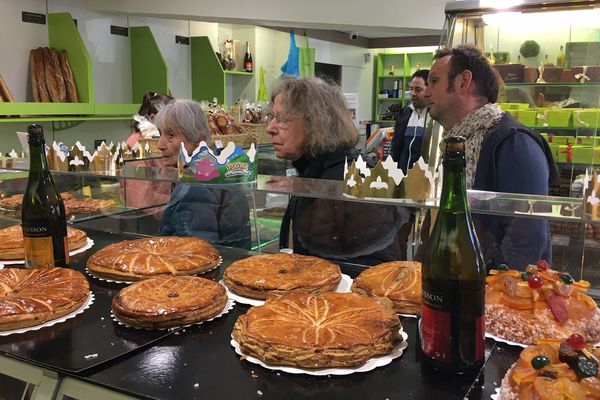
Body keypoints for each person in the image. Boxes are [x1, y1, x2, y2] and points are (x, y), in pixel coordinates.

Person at [423, 44, 558, 270]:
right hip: (454, 282)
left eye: (434, 81)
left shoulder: (514, 141)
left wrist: (491, 293)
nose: (426, 92)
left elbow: (527, 238)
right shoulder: (456, 142)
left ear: (463, 81)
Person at [266, 76, 402, 265]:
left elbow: (378, 269)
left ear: (314, 122)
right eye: (272, 117)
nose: (269, 128)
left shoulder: (352, 178)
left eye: (281, 118)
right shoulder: (315, 170)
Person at [154, 99, 251, 249]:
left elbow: (196, 255)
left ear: (197, 139)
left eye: (170, 135)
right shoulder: (215, 167)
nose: (160, 145)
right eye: (160, 134)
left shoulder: (198, 185)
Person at [391, 69, 434, 173]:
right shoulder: (404, 114)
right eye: (411, 89)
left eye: (418, 90)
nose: (413, 93)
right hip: (401, 177)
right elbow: (396, 149)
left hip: (423, 179)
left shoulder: (435, 118)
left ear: (429, 91)